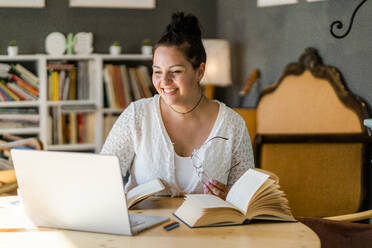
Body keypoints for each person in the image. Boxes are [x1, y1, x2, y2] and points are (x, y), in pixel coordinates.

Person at [101, 12, 254, 200]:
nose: (164, 81)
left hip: (209, 229)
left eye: (175, 71)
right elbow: (101, 180)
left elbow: (247, 198)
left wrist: (229, 196)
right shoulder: (136, 115)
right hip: (145, 228)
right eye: (157, 71)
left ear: (200, 71)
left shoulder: (233, 125)